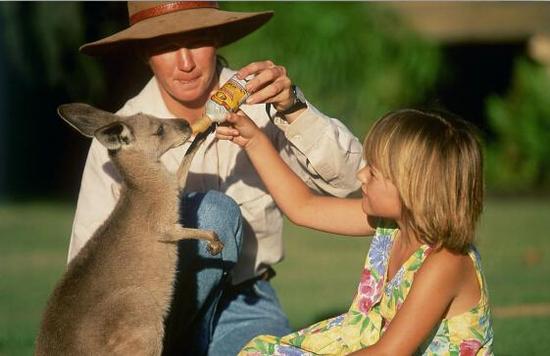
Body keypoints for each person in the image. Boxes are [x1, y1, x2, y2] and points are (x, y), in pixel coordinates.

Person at [69, 1, 363, 355]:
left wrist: (295, 108)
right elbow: (88, 275)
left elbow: (353, 186)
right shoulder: (122, 136)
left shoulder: (261, 101)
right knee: (213, 214)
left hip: (245, 299)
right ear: (146, 53)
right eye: (165, 46)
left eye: (196, 40)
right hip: (160, 308)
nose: (186, 62)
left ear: (217, 38)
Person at [216, 108, 494, 355]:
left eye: (373, 172)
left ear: (413, 190)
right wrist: (254, 141)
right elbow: (303, 207)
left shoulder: (445, 263)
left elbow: (390, 353)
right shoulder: (391, 225)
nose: (361, 175)